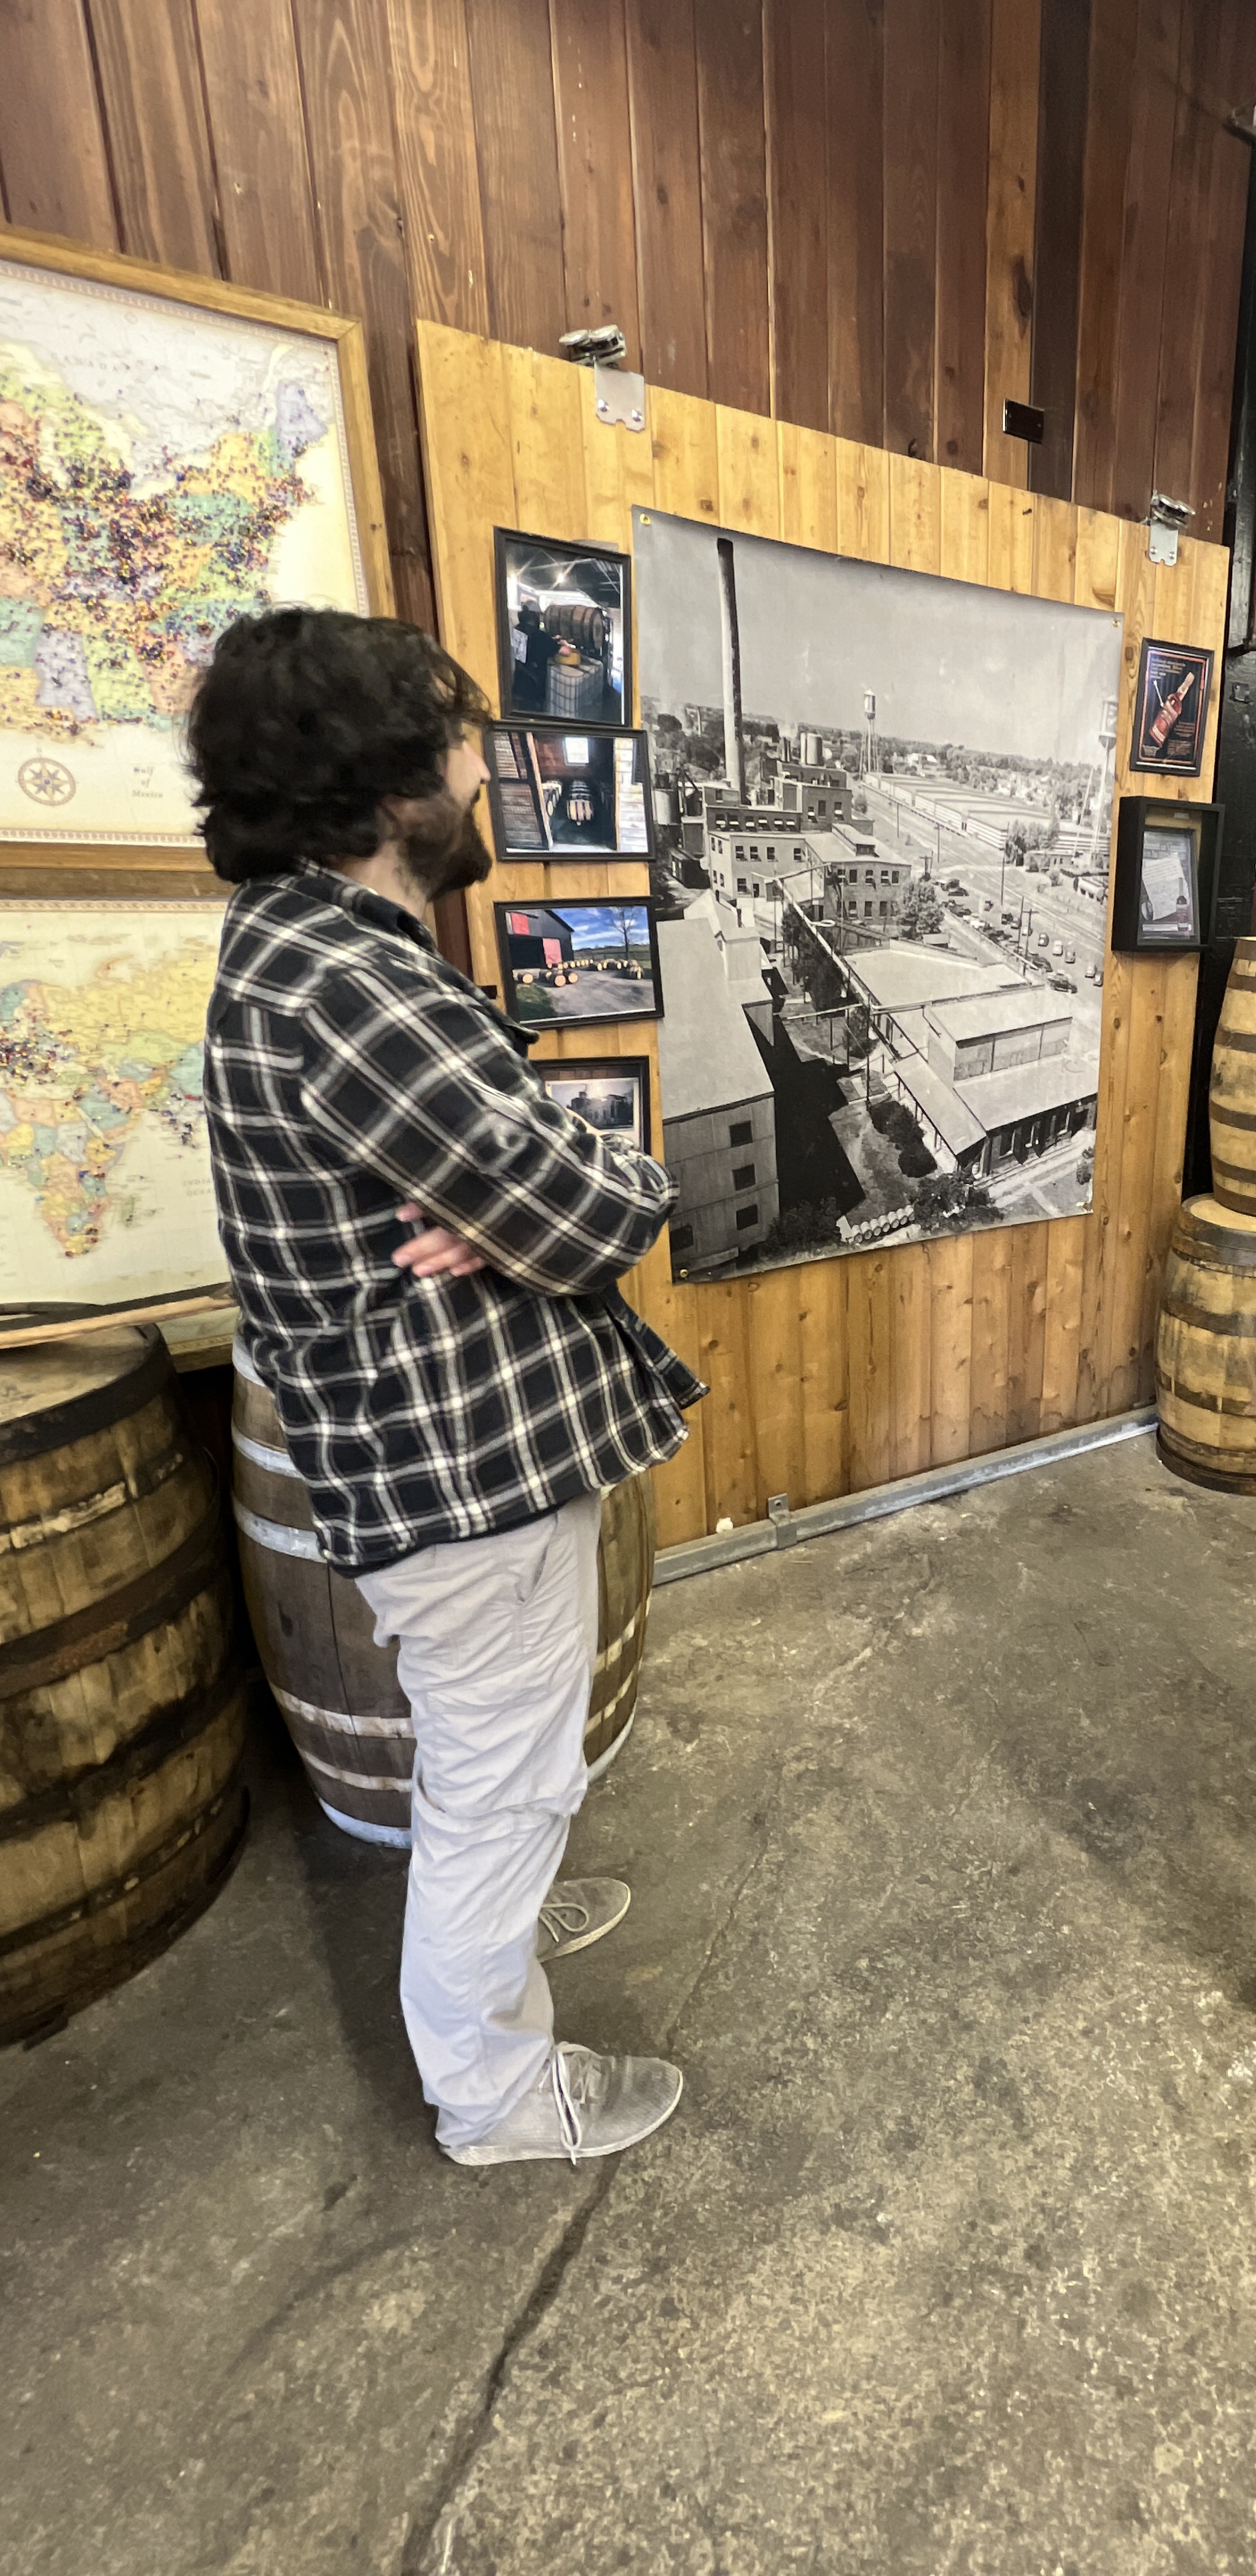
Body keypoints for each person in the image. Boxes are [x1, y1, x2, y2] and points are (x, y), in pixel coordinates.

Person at [194, 608, 693, 2169]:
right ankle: (496, 2097)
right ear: (386, 777)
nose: (487, 765)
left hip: (438, 1455)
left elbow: (537, 1201)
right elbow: (604, 1209)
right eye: (461, 737)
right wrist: (569, 1195)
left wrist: (526, 1206)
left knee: (492, 1764)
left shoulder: (313, 957)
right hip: (455, 1472)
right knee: (498, 1780)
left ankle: (509, 1926)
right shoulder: (348, 985)